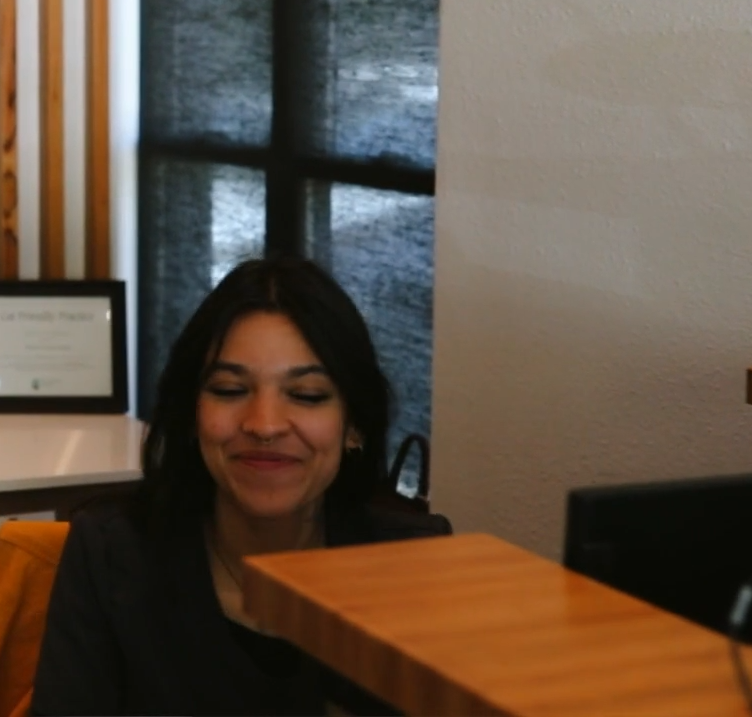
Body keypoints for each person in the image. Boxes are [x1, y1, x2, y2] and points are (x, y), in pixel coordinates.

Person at [31, 257, 451, 716]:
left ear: (355, 426)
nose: (264, 425)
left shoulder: (417, 567)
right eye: (230, 390)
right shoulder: (111, 556)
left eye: (307, 395)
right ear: (192, 415)